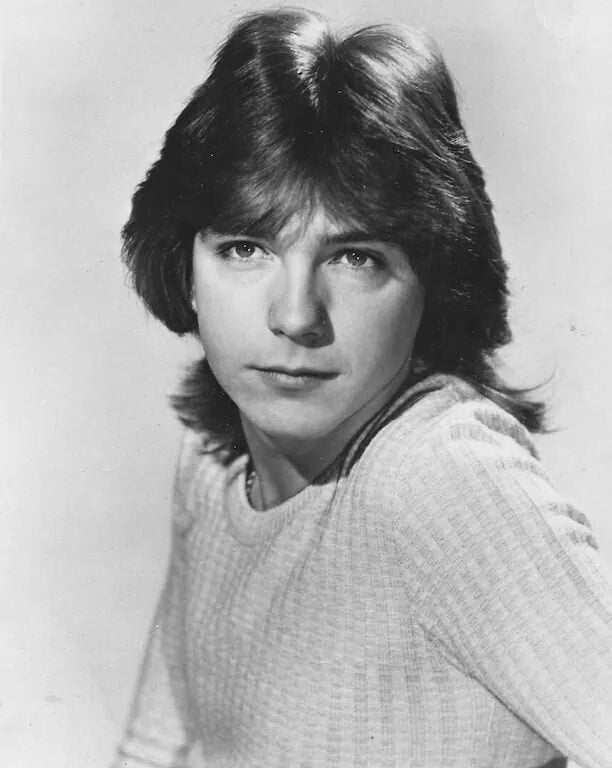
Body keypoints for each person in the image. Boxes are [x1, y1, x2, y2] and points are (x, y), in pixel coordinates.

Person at [111, 8, 612, 768]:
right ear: (184, 264)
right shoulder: (214, 459)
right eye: (247, 248)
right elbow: (156, 750)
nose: (295, 315)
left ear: (433, 284)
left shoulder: (440, 478)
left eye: (356, 258)